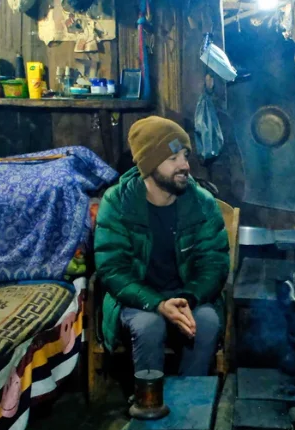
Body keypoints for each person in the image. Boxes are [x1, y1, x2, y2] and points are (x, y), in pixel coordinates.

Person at [95, 116, 229, 376]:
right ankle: (149, 405)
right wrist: (157, 303)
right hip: (138, 299)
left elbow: (214, 263)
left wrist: (188, 298)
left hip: (188, 295)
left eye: (185, 155)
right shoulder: (118, 202)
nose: (185, 166)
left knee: (208, 321)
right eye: (173, 158)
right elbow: (112, 269)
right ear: (150, 164)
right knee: (149, 325)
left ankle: (191, 403)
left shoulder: (201, 202)